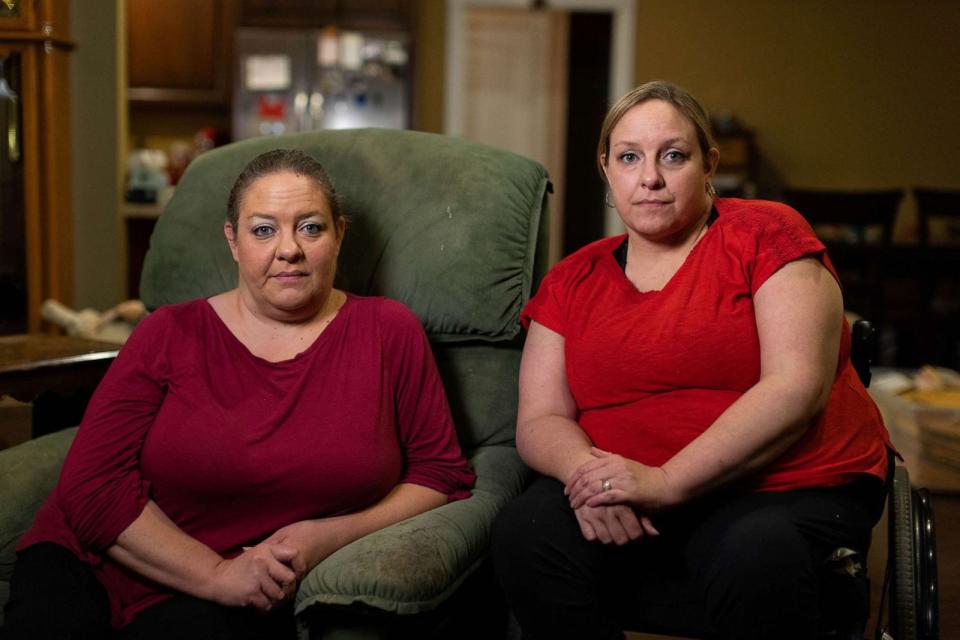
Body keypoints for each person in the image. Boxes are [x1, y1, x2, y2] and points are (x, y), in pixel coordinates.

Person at [1, 149, 476, 639]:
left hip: (244, 589)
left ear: (339, 235)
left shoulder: (387, 331)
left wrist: (328, 536)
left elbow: (439, 472)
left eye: (310, 227)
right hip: (94, 561)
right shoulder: (167, 332)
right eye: (263, 229)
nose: (288, 249)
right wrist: (215, 574)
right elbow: (91, 486)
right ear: (233, 240)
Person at [491, 81, 893, 639]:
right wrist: (591, 479)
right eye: (629, 157)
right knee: (524, 531)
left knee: (753, 551)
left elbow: (796, 387)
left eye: (673, 156)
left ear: (710, 164)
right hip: (629, 492)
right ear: (606, 169)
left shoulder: (765, 233)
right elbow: (539, 420)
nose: (649, 177)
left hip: (778, 489)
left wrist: (665, 481)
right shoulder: (572, 278)